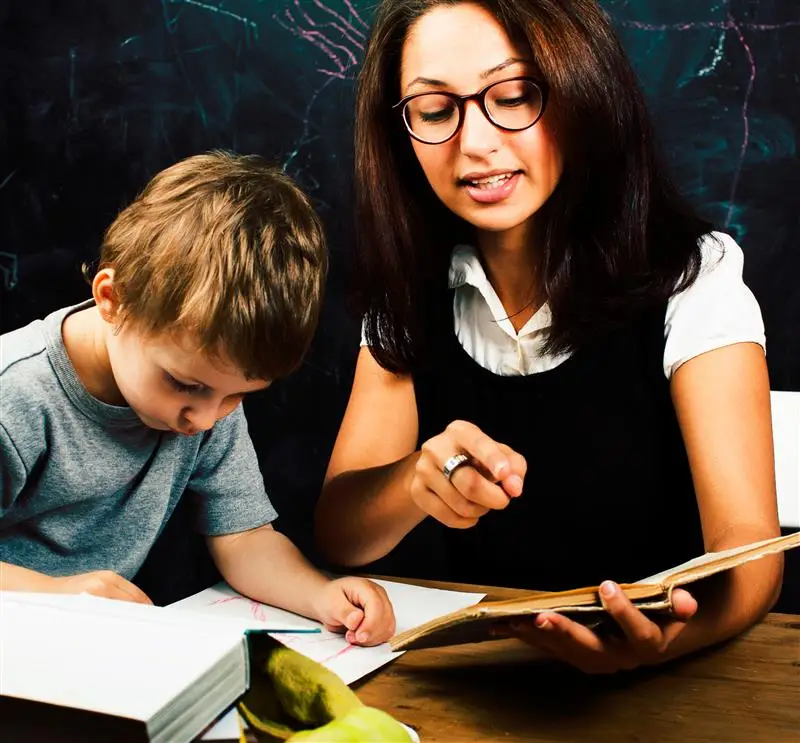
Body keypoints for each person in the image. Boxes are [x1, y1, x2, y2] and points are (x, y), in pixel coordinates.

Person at [315, 0, 783, 671]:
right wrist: (417, 481)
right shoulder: (410, 294)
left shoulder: (694, 276)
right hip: (490, 677)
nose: (474, 142)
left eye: (512, 96)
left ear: (582, 92)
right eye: (436, 111)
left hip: (678, 677)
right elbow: (341, 530)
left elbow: (749, 555)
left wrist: (664, 641)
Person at [1, 151, 395, 647]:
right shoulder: (15, 395)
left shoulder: (210, 391)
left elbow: (245, 540)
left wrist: (324, 596)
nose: (206, 419)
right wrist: (55, 594)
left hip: (90, 651)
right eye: (185, 385)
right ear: (113, 301)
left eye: (238, 397)